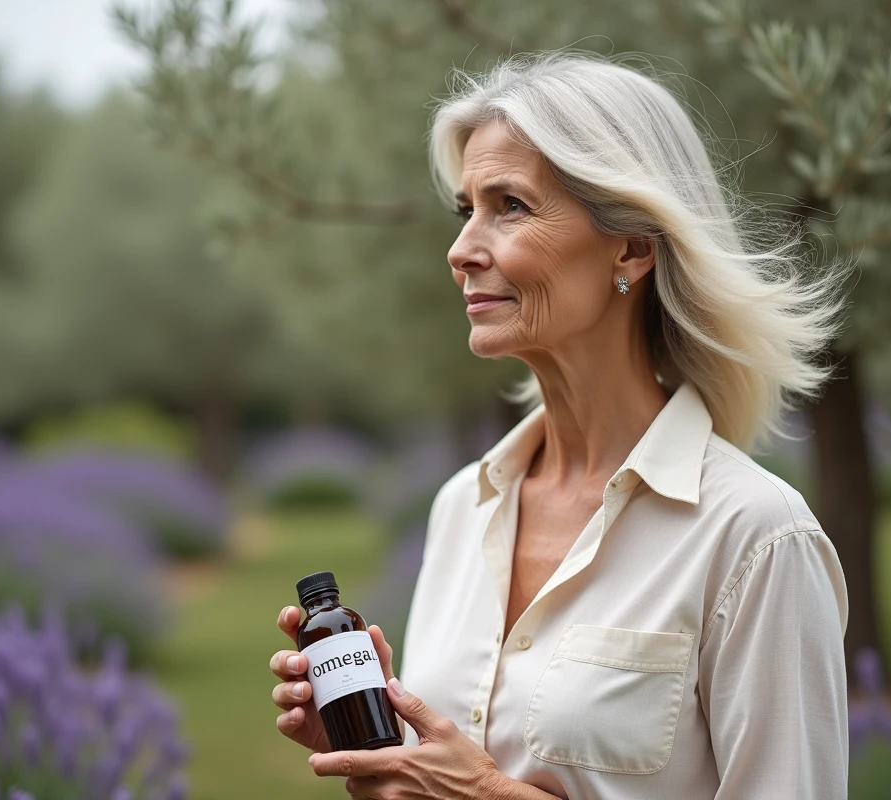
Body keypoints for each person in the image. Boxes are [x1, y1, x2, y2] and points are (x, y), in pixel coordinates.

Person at [270, 50, 851, 800]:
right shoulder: (461, 508)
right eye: (466, 210)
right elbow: (453, 776)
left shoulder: (758, 538)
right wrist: (386, 749)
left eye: (510, 205)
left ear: (632, 248)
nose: (461, 251)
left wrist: (485, 794)